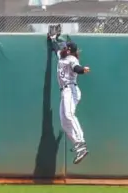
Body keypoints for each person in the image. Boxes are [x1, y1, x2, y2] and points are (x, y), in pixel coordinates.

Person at [47, 26, 90, 164]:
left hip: (71, 90)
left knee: (69, 115)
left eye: (66, 47)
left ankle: (81, 144)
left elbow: (76, 68)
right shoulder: (62, 55)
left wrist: (82, 70)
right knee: (64, 122)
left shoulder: (71, 58)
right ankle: (78, 147)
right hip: (65, 92)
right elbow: (55, 49)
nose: (64, 48)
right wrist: (53, 38)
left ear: (70, 50)